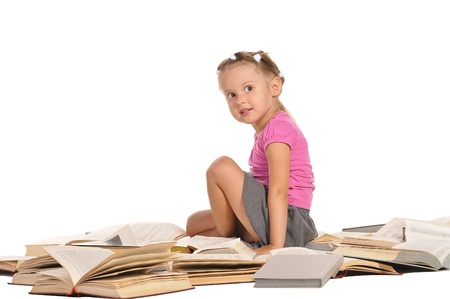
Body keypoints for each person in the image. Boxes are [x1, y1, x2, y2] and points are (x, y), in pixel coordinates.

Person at [186, 50, 317, 255]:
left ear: (274, 87)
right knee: (193, 224)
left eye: (248, 88)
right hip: (270, 213)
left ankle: (229, 233)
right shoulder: (266, 131)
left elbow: (279, 191)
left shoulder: (279, 129)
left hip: (288, 223)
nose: (240, 100)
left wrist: (275, 246)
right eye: (231, 94)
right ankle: (231, 233)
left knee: (221, 167)